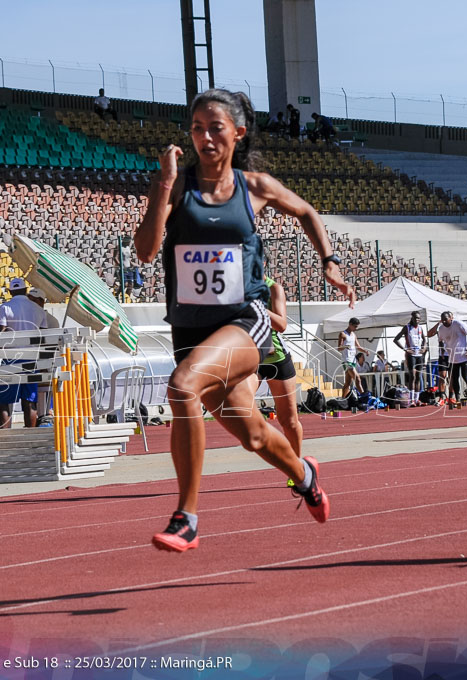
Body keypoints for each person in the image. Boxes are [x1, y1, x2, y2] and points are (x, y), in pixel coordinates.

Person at [135, 88, 353, 552]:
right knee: (252, 434)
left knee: (182, 387)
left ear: (238, 132)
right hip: (190, 328)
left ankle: (186, 517)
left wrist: (329, 262)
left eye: (216, 127)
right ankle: (305, 474)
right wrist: (164, 183)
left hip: (244, 318)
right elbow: (147, 251)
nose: (205, 137)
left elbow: (308, 212)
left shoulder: (256, 187)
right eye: (196, 128)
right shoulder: (175, 186)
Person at [254, 276, 304, 458]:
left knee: (288, 421)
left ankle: (298, 468)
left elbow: (281, 324)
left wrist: (256, 307)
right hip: (252, 360)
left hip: (276, 359)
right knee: (237, 402)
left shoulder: (274, 288)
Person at [0, 278, 48, 429]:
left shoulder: (5, 307)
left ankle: (3, 438)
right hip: (32, 358)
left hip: (11, 358)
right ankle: (30, 434)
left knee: (3, 402)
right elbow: (43, 337)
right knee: (29, 401)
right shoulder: (38, 309)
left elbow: (1, 335)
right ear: (26, 290)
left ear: (10, 291)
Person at [27, 287, 59, 425]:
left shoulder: (51, 321)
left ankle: (47, 412)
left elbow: (52, 346)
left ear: (41, 301)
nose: (30, 304)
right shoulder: (28, 317)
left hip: (45, 363)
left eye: (33, 301)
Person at [428, 311, 467, 404]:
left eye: (446, 319)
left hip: (463, 356)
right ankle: (457, 398)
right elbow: (440, 339)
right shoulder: (441, 328)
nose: (444, 321)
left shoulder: (458, 324)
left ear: (451, 318)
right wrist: (442, 349)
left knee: (465, 377)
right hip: (452, 358)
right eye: (443, 320)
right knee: (454, 378)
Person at [393, 311, 427, 395]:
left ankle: (417, 398)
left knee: (419, 377)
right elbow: (396, 339)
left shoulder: (420, 328)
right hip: (411, 355)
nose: (417, 320)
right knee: (413, 376)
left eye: (418, 318)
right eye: (415, 318)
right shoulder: (407, 327)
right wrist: (405, 349)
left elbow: (424, 340)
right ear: (412, 318)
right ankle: (411, 399)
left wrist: (424, 348)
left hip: (419, 355)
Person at [338, 317, 369, 397]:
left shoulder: (354, 335)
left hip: (353, 360)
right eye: (355, 326)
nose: (356, 328)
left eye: (357, 326)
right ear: (350, 324)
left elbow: (358, 346)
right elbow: (339, 348)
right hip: (346, 360)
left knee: (348, 382)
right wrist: (345, 346)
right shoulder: (343, 334)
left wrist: (365, 351)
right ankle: (363, 397)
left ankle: (343, 400)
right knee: (357, 378)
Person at [114, 235, 144, 300]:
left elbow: (128, 258)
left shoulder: (128, 247)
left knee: (131, 284)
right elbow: (115, 257)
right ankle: (117, 296)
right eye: (128, 242)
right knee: (124, 284)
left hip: (128, 268)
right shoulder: (119, 246)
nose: (129, 243)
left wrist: (132, 264)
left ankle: (127, 297)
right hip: (121, 268)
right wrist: (120, 265)